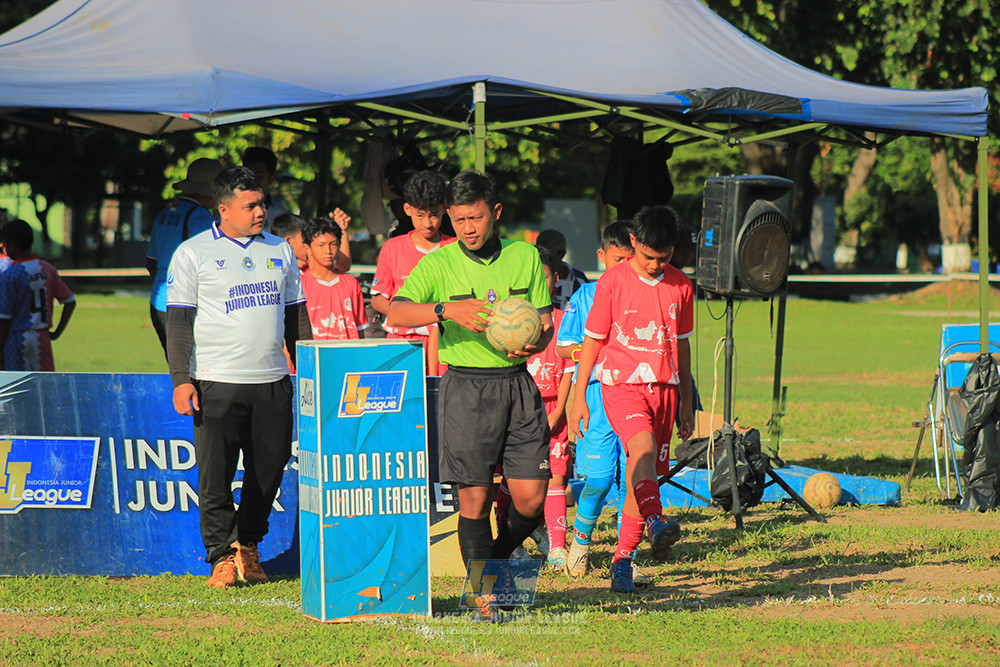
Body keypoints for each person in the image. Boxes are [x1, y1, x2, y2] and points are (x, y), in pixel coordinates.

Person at [386, 169, 554, 572]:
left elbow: (545, 323)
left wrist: (539, 341)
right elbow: (396, 309)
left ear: (494, 212)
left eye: (475, 218)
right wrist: (446, 309)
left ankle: (492, 565)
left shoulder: (525, 256)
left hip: (518, 385)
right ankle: (485, 593)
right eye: (458, 220)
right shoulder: (440, 263)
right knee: (474, 499)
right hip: (466, 388)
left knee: (531, 497)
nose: (467, 228)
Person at [166, 165, 311, 589]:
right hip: (215, 380)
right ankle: (221, 556)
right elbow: (178, 323)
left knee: (269, 468)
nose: (260, 211)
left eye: (262, 202)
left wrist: (311, 367)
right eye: (250, 205)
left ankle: (248, 545)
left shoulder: (280, 250)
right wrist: (181, 378)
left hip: (272, 381)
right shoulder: (193, 253)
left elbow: (296, 316)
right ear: (223, 209)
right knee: (216, 474)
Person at [568, 206, 695, 593]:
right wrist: (578, 398)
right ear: (634, 243)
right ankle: (657, 519)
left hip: (666, 391)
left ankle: (623, 560)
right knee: (640, 449)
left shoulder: (682, 286)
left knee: (646, 478)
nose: (657, 265)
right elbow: (591, 342)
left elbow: (683, 348)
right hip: (621, 386)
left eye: (665, 257)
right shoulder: (611, 283)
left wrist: (687, 401)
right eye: (648, 257)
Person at [556, 221, 637, 580]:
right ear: (602, 256)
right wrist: (593, 356)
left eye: (630, 259)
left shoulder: (642, 294)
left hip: (635, 398)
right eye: (618, 259)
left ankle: (626, 557)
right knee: (600, 479)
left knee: (630, 480)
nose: (624, 267)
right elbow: (562, 345)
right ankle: (581, 541)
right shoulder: (585, 297)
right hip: (597, 398)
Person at [370, 170, 456, 374]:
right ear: (407, 209)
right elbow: (377, 299)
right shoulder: (392, 248)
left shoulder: (454, 248)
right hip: (402, 343)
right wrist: (405, 314)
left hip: (447, 344)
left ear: (444, 209)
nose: (428, 223)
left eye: (434, 215)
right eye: (420, 215)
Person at [524, 245, 574, 570]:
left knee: (556, 477)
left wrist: (559, 413)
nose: (540, 286)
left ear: (555, 280)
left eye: (545, 278)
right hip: (521, 410)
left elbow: (570, 369)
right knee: (517, 480)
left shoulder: (565, 318)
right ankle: (519, 538)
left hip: (555, 406)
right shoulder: (513, 323)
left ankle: (557, 547)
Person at [147, 157, 223, 358]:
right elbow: (209, 264)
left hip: (159, 303)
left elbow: (151, 262)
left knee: (176, 368)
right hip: (185, 306)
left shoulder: (163, 215)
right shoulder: (201, 217)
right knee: (194, 370)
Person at [0, 219, 76, 371]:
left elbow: (4, 319)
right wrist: (56, 333)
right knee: (44, 387)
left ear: (12, 246)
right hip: (42, 338)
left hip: (16, 340)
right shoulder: (47, 269)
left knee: (16, 389)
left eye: (5, 245)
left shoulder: (10, 275)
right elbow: (70, 301)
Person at [300, 216, 368, 340]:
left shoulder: (351, 283)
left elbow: (360, 329)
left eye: (333, 244)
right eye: (321, 245)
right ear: (307, 248)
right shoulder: (300, 285)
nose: (328, 250)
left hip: (348, 355)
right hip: (315, 355)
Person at [536, 228, 588, 309]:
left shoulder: (579, 281)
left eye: (549, 257)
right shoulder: (531, 278)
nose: (543, 260)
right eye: (539, 256)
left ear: (562, 254)